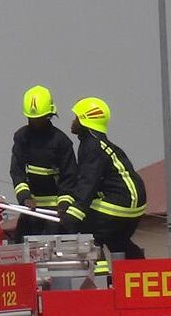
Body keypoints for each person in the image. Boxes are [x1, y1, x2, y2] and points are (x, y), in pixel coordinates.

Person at [60, 97, 146, 260]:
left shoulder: (92, 145)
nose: (73, 121)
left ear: (85, 120)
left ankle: (99, 279)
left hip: (122, 201)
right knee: (116, 240)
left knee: (86, 234)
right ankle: (138, 271)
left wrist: (73, 215)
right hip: (134, 202)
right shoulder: (97, 143)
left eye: (76, 117)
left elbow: (87, 183)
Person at [9, 86, 77, 241]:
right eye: (31, 118)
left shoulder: (61, 142)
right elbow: (17, 171)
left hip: (55, 213)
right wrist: (25, 197)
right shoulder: (21, 137)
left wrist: (63, 205)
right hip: (31, 211)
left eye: (38, 118)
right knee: (23, 249)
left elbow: (70, 177)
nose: (33, 122)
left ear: (48, 115)